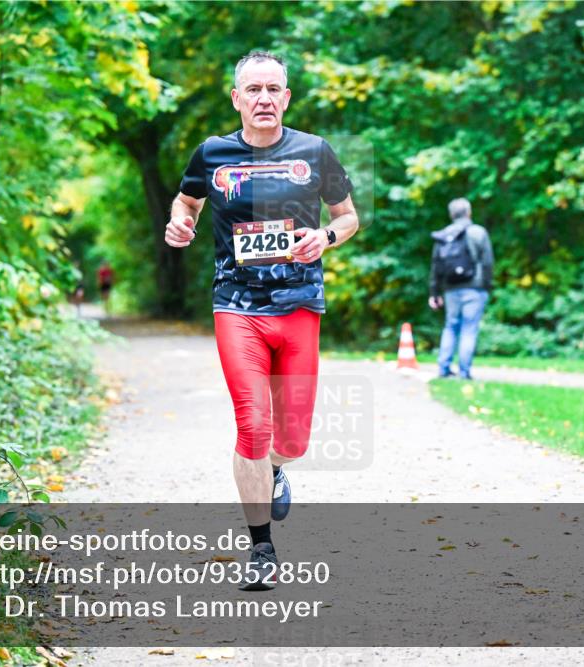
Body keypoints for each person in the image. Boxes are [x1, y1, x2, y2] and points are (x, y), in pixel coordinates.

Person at [164, 51, 358, 590]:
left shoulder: (315, 152)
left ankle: (277, 470)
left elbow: (348, 217)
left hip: (299, 307)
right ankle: (262, 548)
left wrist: (326, 237)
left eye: (274, 89)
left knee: (291, 441)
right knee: (252, 423)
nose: (264, 99)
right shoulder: (213, 154)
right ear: (237, 98)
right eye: (254, 90)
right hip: (236, 305)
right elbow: (187, 204)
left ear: (287, 97)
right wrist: (180, 225)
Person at [428, 198, 494, 379]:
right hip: (475, 288)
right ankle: (464, 372)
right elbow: (487, 263)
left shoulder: (443, 236)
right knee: (469, 328)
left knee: (450, 327)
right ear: (469, 212)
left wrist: (434, 293)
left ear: (451, 215)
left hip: (450, 290)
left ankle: (444, 369)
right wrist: (487, 287)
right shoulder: (478, 232)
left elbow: (436, 267)